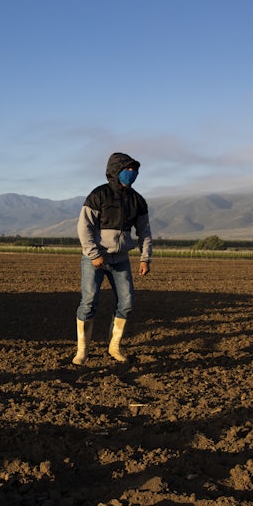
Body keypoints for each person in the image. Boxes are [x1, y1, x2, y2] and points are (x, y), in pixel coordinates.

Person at [74, 152, 153, 365]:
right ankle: (83, 350)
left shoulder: (138, 200)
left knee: (127, 302)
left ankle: (114, 346)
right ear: (115, 170)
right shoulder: (99, 195)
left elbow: (144, 231)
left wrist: (145, 258)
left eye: (134, 169)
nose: (132, 172)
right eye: (127, 168)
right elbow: (84, 226)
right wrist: (94, 254)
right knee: (89, 302)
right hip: (95, 260)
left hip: (121, 260)